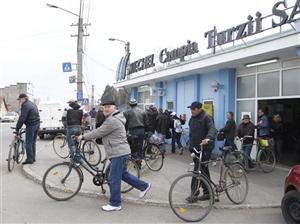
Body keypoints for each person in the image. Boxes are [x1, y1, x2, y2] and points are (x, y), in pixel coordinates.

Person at [77, 100, 151, 212]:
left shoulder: (112, 120)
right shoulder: (114, 118)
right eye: (104, 107)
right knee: (123, 174)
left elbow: (99, 132)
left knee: (113, 178)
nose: (105, 109)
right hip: (120, 151)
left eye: (108, 107)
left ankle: (115, 203)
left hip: (118, 152)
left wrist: (82, 137)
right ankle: (144, 186)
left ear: (115, 108)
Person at [186, 101, 217, 202]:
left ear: (199, 109)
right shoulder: (192, 119)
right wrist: (190, 145)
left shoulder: (206, 117)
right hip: (195, 149)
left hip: (205, 149)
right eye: (191, 109)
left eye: (193, 109)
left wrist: (209, 138)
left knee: (197, 170)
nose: (191, 111)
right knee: (203, 170)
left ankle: (194, 194)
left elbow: (212, 129)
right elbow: (192, 133)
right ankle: (208, 192)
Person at [14, 94, 40, 165]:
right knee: (32, 142)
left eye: (20, 99)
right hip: (37, 124)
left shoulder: (25, 105)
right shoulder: (32, 104)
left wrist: (17, 128)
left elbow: (22, 118)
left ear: (24, 98)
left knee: (28, 143)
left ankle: (29, 160)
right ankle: (33, 158)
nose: (19, 101)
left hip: (31, 125)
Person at [123, 99, 147, 165]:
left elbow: (125, 123)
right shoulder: (142, 111)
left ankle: (135, 159)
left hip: (133, 131)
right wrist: (146, 131)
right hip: (142, 130)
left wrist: (124, 131)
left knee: (133, 146)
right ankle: (139, 159)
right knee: (140, 146)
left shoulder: (127, 112)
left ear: (130, 104)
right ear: (136, 104)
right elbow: (145, 122)